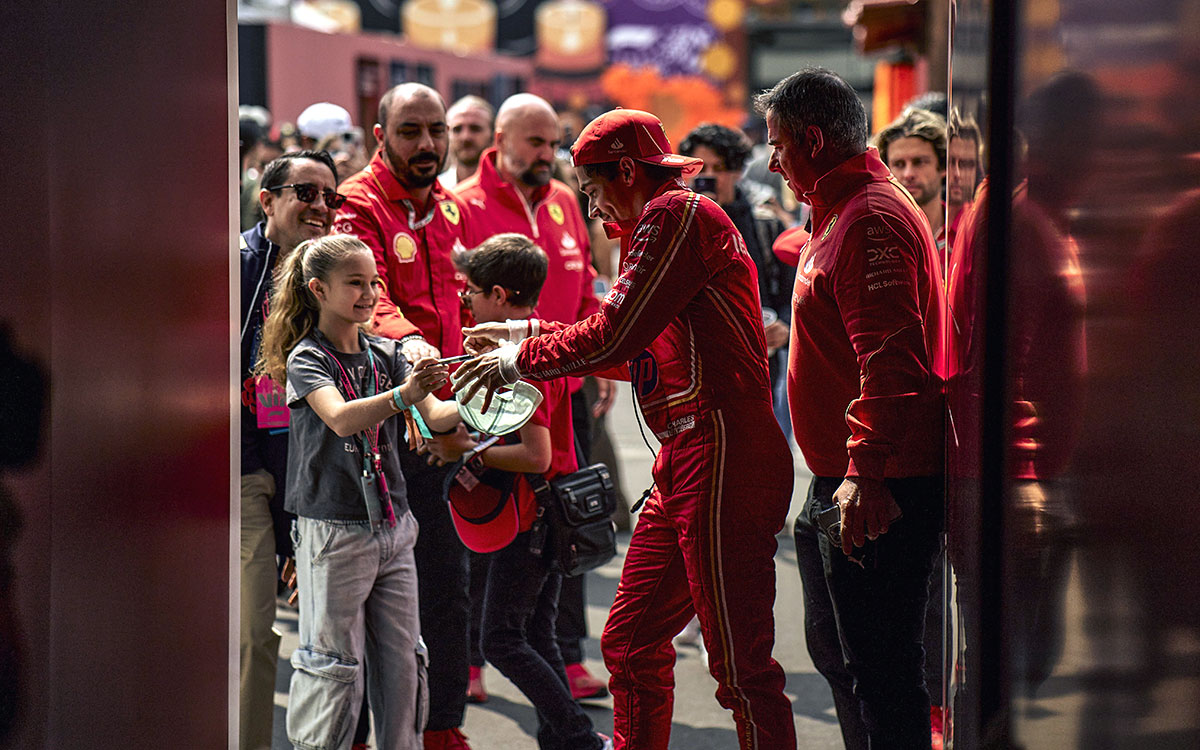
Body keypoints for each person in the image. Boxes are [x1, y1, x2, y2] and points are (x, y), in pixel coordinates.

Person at [452, 108, 797, 750]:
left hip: (720, 450)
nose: (592, 203)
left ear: (629, 172)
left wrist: (518, 352)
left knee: (738, 667)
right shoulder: (666, 220)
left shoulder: (674, 216)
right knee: (632, 642)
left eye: (593, 186)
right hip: (696, 451)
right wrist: (526, 334)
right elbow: (634, 342)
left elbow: (618, 331)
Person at [756, 67, 946, 749]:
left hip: (876, 485)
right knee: (847, 662)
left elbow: (894, 361)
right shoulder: (840, 208)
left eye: (776, 146)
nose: (771, 161)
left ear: (810, 139)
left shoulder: (868, 216)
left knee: (884, 675)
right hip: (845, 479)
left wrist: (865, 474)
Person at [255, 233, 461, 750]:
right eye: (355, 283)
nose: (369, 293)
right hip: (334, 534)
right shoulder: (307, 358)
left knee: (403, 668)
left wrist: (493, 386)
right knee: (332, 672)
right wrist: (406, 394)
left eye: (374, 282)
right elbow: (342, 418)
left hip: (394, 528)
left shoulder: (386, 352)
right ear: (317, 289)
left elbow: (434, 415)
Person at [332, 82, 476, 750]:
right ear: (378, 133)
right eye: (411, 130)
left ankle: (443, 726)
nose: (427, 144)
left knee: (447, 581)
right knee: (368, 596)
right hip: (376, 429)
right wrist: (415, 349)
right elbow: (370, 299)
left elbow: (463, 310)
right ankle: (357, 735)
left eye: (436, 130)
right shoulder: (355, 205)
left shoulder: (449, 208)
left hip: (441, 427)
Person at [426, 232, 612, 750]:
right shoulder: (529, 347)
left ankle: (580, 738)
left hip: (532, 513)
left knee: (501, 641)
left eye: (474, 291)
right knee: (536, 635)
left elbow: (537, 455)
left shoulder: (519, 360)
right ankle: (565, 740)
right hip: (546, 514)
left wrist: (466, 453)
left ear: (502, 296)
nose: (466, 300)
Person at [455, 92, 612, 702]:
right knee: (483, 521)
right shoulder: (461, 206)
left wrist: (597, 362)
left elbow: (587, 295)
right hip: (489, 390)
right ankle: (470, 658)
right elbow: (457, 303)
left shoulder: (568, 203)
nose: (549, 155)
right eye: (537, 143)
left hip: (562, 385)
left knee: (561, 518)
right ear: (501, 138)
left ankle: (567, 657)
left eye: (554, 144)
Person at [238, 149, 342, 750]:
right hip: (250, 470)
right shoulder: (233, 263)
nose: (322, 207)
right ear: (268, 199)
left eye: (331, 196)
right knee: (255, 633)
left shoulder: (334, 265)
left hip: (315, 476)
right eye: (307, 192)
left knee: (329, 639)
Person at [678, 122, 795, 439]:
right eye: (702, 168)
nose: (712, 177)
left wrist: (785, 326)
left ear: (738, 170)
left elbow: (789, 288)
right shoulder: (677, 217)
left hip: (759, 359)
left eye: (721, 168)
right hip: (698, 361)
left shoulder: (762, 216)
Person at [874, 107, 949, 262]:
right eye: (899, 164)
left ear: (942, 166)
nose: (908, 174)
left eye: (919, 162)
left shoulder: (967, 228)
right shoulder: (875, 236)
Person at [439, 95, 495, 189]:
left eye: (475, 128)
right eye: (457, 129)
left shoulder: (508, 192)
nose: (465, 137)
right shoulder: (435, 190)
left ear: (493, 136)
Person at [946, 109, 982, 247]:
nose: (957, 174)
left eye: (967, 164)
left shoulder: (978, 228)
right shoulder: (926, 223)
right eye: (950, 162)